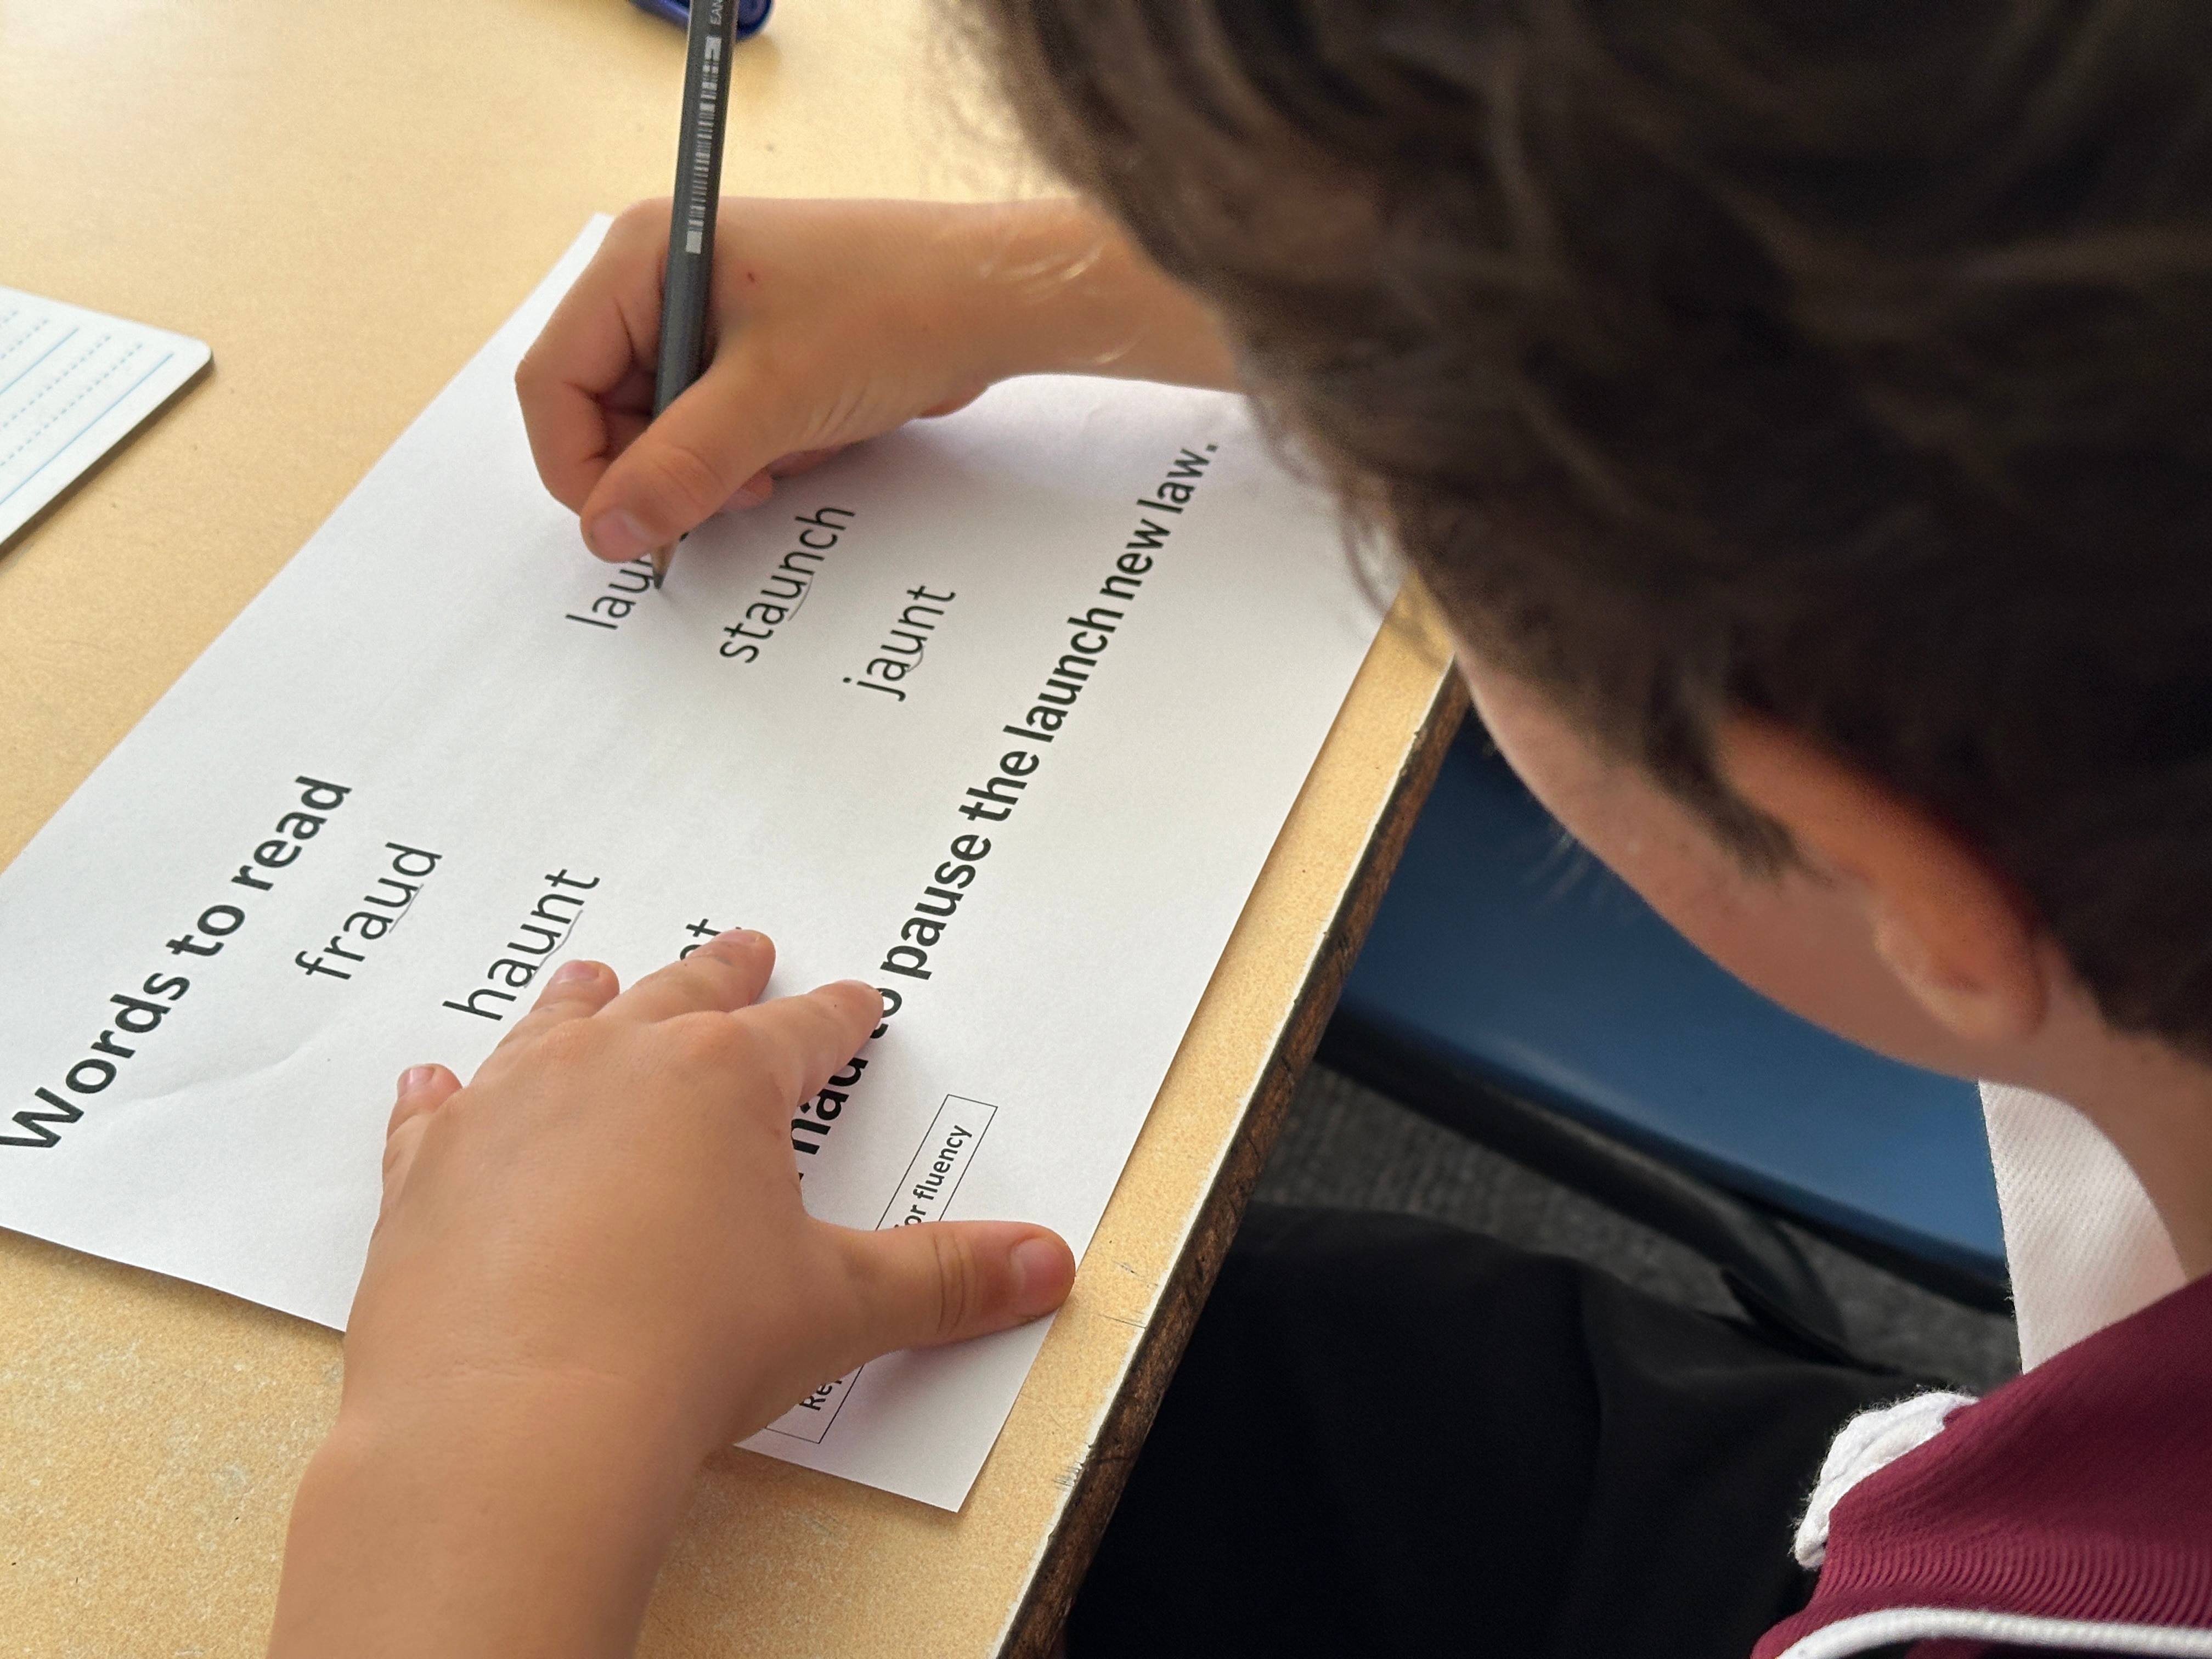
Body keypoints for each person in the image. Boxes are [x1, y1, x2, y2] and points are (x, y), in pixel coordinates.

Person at [270, 3, 2212, 1655]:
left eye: (1405, 501)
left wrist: (491, 1422)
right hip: (1996, 1441)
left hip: (1934, 1562)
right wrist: (1040, 280)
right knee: (1268, 1353)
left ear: (1882, 864)